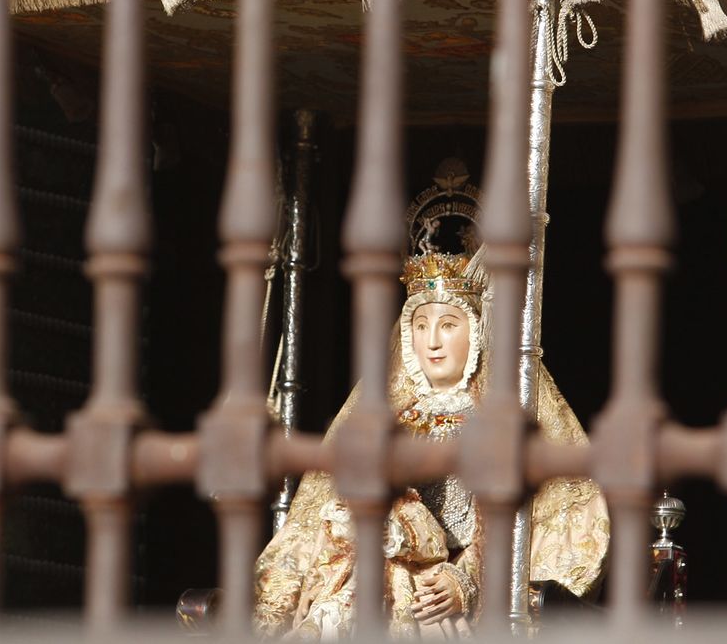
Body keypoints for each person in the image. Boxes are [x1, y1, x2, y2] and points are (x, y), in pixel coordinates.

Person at [253, 250, 609, 637]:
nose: (433, 342)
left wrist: (467, 584)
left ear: (475, 331)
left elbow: (545, 525)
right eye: (421, 326)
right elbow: (320, 517)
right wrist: (313, 580)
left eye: (449, 325)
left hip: (448, 603)